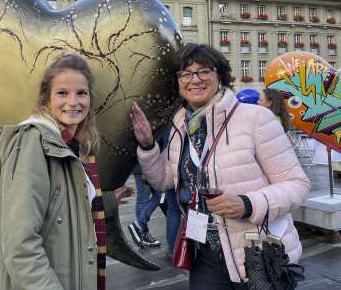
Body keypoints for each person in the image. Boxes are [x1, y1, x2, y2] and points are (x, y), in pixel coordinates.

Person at [130, 43, 310, 289]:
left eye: (203, 71)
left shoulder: (255, 118)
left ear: (220, 76)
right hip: (203, 250)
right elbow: (164, 180)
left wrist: (247, 204)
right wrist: (149, 146)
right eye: (185, 73)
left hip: (256, 252)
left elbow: (297, 185)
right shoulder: (179, 127)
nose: (195, 80)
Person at [0, 53, 132, 290]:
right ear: (47, 99)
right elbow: (20, 245)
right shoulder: (33, 143)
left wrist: (107, 201)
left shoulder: (69, 144)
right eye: (62, 93)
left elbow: (61, 209)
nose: (73, 102)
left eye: (81, 93)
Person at [128, 164, 162, 248]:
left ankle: (140, 228)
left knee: (160, 195)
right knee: (143, 197)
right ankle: (143, 232)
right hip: (144, 164)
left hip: (152, 164)